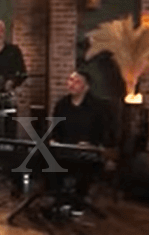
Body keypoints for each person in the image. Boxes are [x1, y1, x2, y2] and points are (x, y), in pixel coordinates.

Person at [46, 71, 113, 214]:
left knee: (83, 165)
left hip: (88, 151)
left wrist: (91, 144)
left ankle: (78, 201)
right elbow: (56, 129)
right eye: (70, 80)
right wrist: (54, 140)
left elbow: (105, 133)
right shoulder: (62, 104)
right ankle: (57, 199)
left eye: (77, 81)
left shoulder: (98, 107)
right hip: (65, 149)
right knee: (48, 160)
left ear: (86, 87)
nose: (71, 84)